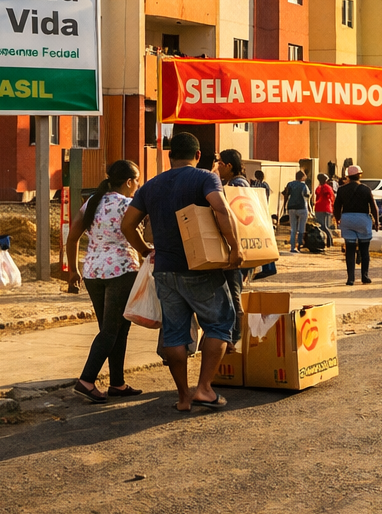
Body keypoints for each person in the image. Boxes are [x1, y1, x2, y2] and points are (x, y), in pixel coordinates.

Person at [121, 132, 241, 410]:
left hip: (164, 270)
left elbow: (127, 225)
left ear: (169, 155)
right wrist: (235, 246)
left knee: (175, 333)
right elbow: (221, 208)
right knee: (220, 323)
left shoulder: (149, 186)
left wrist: (144, 250)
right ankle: (205, 389)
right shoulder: (204, 178)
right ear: (198, 156)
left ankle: (183, 396)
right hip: (200, 267)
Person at [68, 160, 143, 404]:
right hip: (121, 270)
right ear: (128, 182)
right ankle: (86, 380)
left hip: (92, 271)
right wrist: (146, 251)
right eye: (137, 181)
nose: (137, 186)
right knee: (112, 330)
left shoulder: (92, 202)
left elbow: (72, 237)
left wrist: (73, 270)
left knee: (116, 329)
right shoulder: (128, 204)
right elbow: (133, 234)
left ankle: (117, 383)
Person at [214, 149, 255, 315]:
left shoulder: (237, 185)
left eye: (220, 163)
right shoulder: (237, 183)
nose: (218, 167)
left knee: (233, 297)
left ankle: (234, 336)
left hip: (236, 246)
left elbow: (237, 217)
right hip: (236, 245)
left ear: (229, 166)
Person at [334, 165, 378, 286]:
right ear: (360, 175)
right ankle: (365, 276)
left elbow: (337, 206)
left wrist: (338, 219)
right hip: (363, 219)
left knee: (350, 250)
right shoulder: (365, 189)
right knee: (364, 250)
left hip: (347, 219)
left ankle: (350, 279)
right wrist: (377, 222)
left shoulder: (342, 189)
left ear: (348, 176)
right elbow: (374, 207)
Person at [282, 170, 312, 254]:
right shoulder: (304, 186)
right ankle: (299, 245)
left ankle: (292, 247)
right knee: (301, 227)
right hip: (302, 207)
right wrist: (310, 209)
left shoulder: (290, 184)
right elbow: (307, 197)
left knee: (293, 229)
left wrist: (284, 206)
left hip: (291, 207)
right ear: (302, 177)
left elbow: (286, 195)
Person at [313, 173, 335, 249]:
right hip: (324, 208)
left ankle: (330, 240)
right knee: (323, 226)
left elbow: (327, 197)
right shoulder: (325, 187)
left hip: (323, 208)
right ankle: (329, 241)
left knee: (323, 226)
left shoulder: (324, 188)